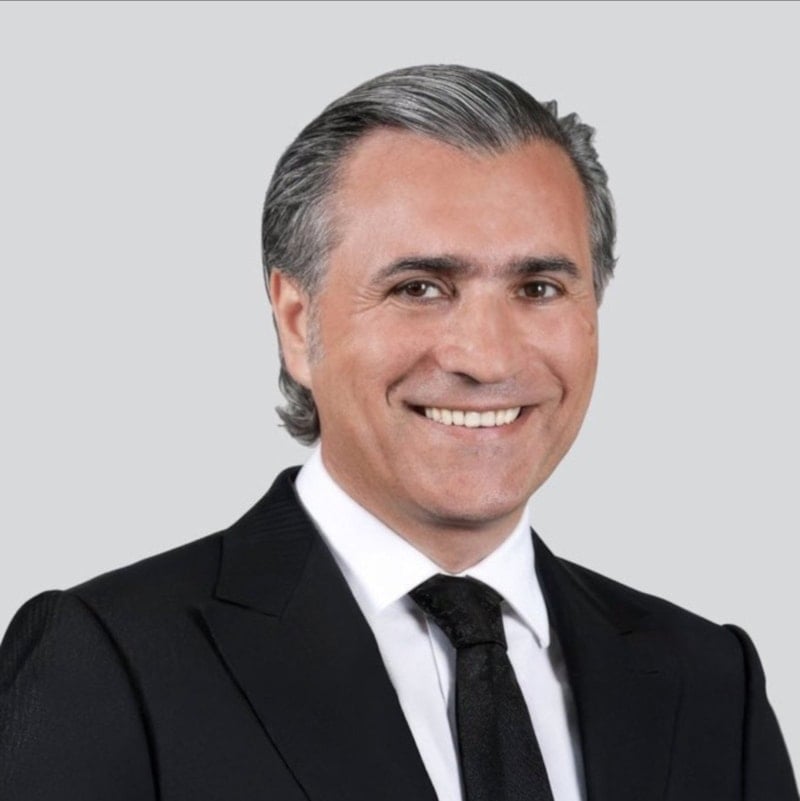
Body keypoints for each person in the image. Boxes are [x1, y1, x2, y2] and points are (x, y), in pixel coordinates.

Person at [0, 65, 796, 801]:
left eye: (538, 287)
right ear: (296, 321)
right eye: (420, 287)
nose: (487, 357)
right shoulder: (110, 663)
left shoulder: (710, 683)